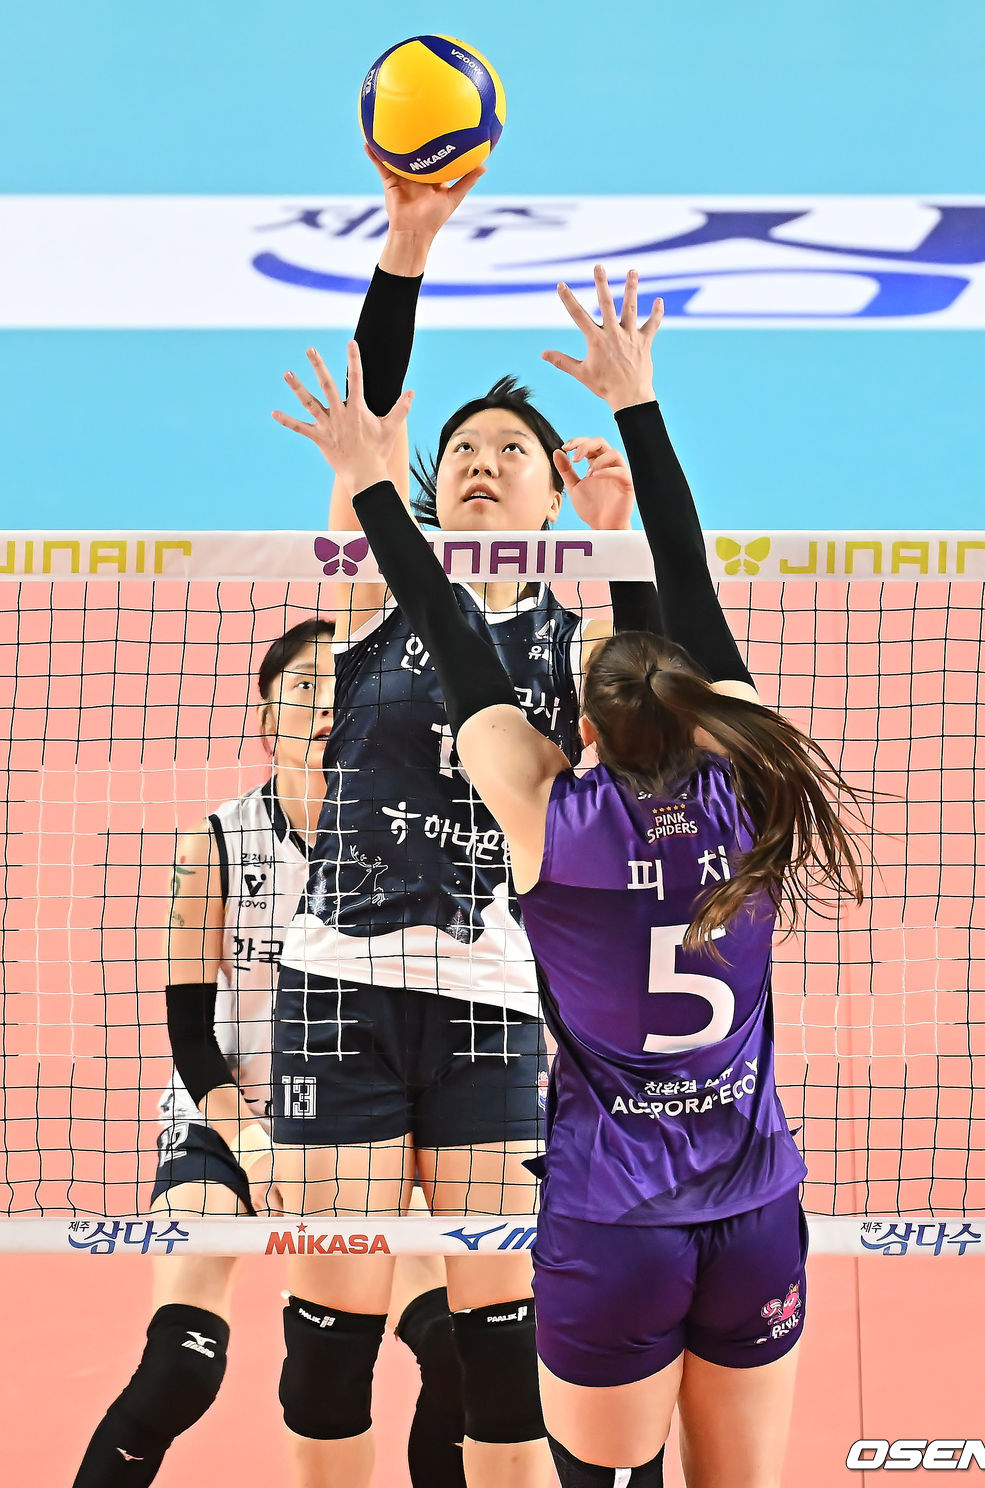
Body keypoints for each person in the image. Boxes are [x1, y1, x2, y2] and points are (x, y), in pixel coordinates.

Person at [325, 263, 867, 1488]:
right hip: (753, 1213)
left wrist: (369, 482)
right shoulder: (756, 787)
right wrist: (635, 411)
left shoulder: (552, 825)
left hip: (613, 1224)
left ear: (577, 727)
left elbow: (451, 632)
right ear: (703, 713)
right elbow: (688, 589)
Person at [268, 159, 658, 1488]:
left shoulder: (579, 635)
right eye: (463, 456)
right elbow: (374, 416)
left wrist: (617, 545)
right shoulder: (377, 589)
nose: (483, 464)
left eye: (513, 453)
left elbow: (648, 743)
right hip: (338, 991)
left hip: (494, 998)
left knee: (502, 1344)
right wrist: (407, 241)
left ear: (553, 496)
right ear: (434, 494)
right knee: (329, 1343)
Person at [72, 620, 466, 1488]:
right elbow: (188, 1032)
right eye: (304, 687)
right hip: (228, 1120)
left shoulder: (420, 848)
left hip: (364, 1132)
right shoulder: (211, 847)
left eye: (346, 687)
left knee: (459, 1355)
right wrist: (251, 1142)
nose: (326, 704)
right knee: (179, 1366)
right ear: (265, 720)